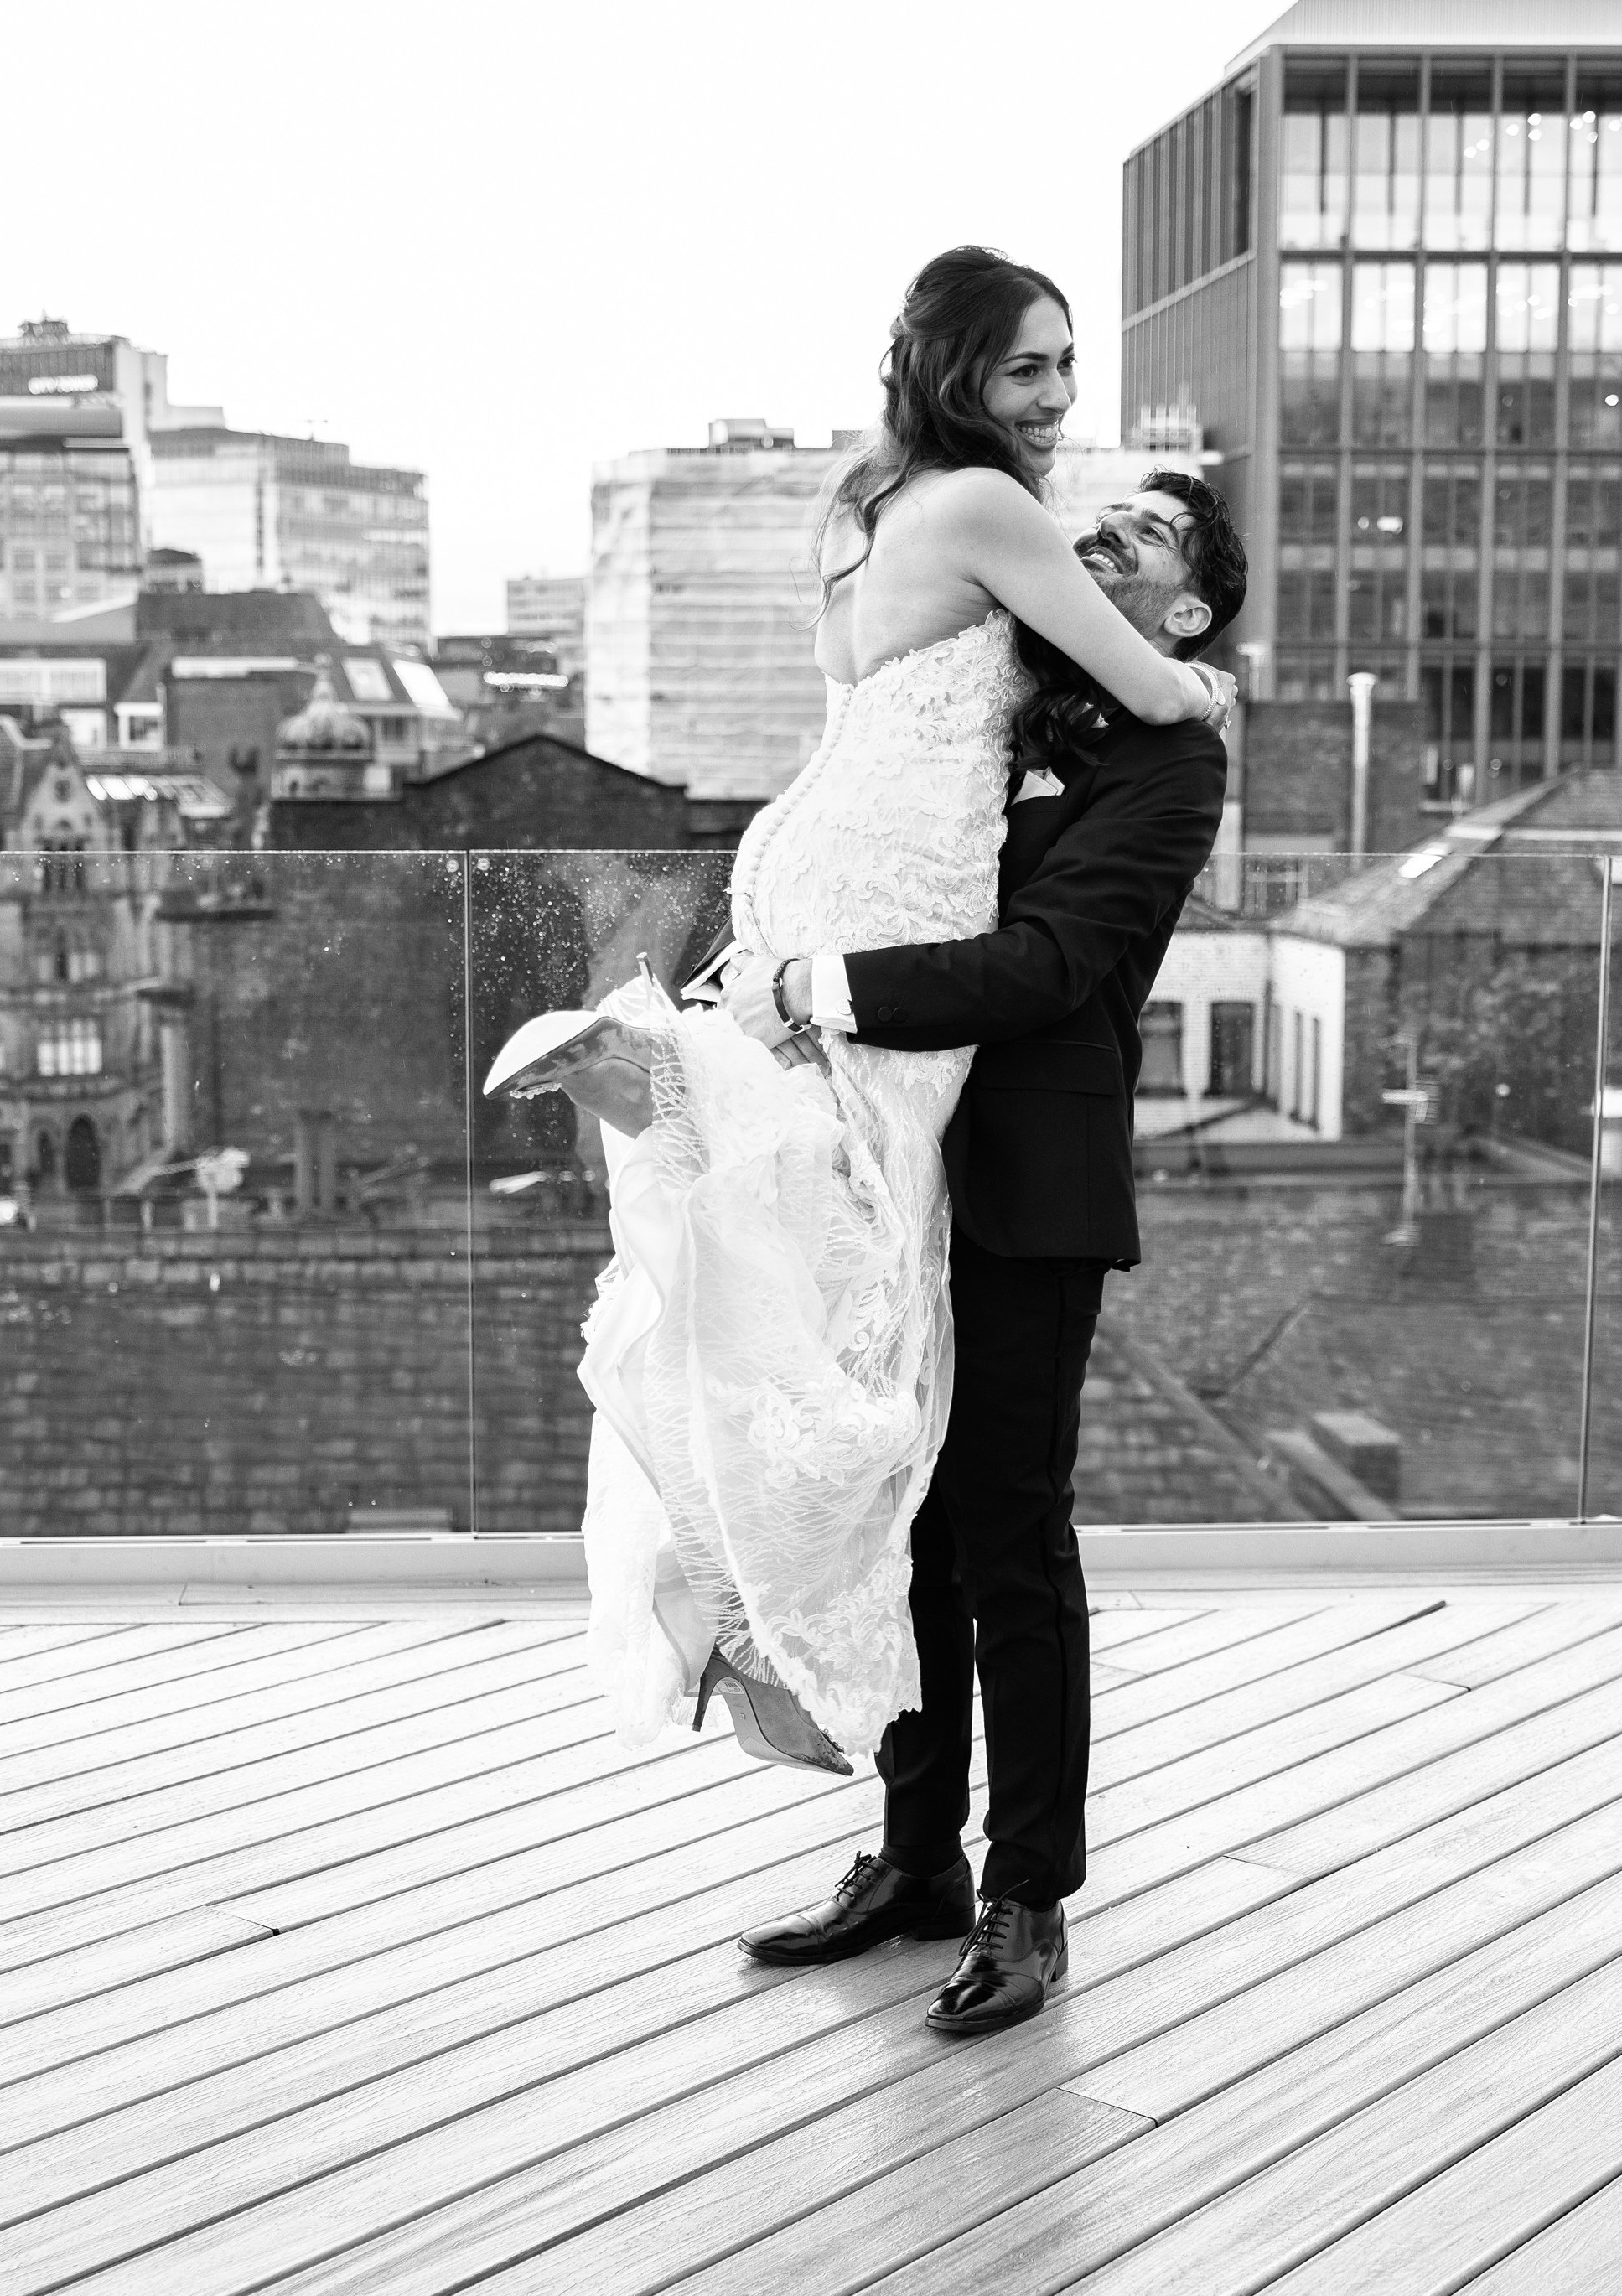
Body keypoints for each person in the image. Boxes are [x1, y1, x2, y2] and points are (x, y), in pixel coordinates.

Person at [485, 246, 1235, 1783]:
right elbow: (1128, 700)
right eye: (1030, 368)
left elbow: (1051, 951)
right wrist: (1208, 683)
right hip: (865, 908)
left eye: (1063, 370)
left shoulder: (886, 518)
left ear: (1196, 603)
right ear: (955, 370)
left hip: (907, 1003)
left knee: (904, 1414)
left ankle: (1002, 1870)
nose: (1059, 408)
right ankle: (875, 1800)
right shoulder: (993, 537)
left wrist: (1188, 696)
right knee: (851, 1346)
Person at [728, 464, 1244, 2034]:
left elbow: (1052, 965)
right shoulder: (999, 693)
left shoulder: (1172, 757)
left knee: (1008, 1540)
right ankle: (911, 1861)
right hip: (885, 1170)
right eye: (1098, 521)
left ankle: (1027, 1901)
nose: (1102, 539)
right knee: (908, 1528)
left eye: (1143, 536)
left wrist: (822, 985)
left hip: (1026, 1182)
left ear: (1189, 610)